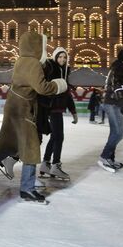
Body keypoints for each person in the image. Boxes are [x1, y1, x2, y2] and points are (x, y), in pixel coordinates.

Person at [0, 31, 67, 205]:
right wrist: (59, 85)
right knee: (31, 148)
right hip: (22, 111)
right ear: (36, 46)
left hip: (13, 107)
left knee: (9, 147)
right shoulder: (33, 63)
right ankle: (27, 189)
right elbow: (42, 87)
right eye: (43, 46)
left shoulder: (21, 60)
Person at [38, 47, 78, 180]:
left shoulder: (65, 71)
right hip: (52, 107)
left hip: (58, 108)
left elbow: (66, 93)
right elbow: (45, 87)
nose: (62, 59)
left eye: (64, 57)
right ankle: (55, 165)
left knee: (55, 136)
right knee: (59, 137)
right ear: (55, 57)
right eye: (60, 57)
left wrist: (73, 111)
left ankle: (45, 163)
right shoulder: (51, 69)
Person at [97, 49, 123, 172]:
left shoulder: (118, 67)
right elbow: (117, 85)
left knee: (116, 132)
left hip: (113, 103)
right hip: (113, 103)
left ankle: (110, 158)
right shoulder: (120, 68)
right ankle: (104, 157)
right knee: (119, 132)